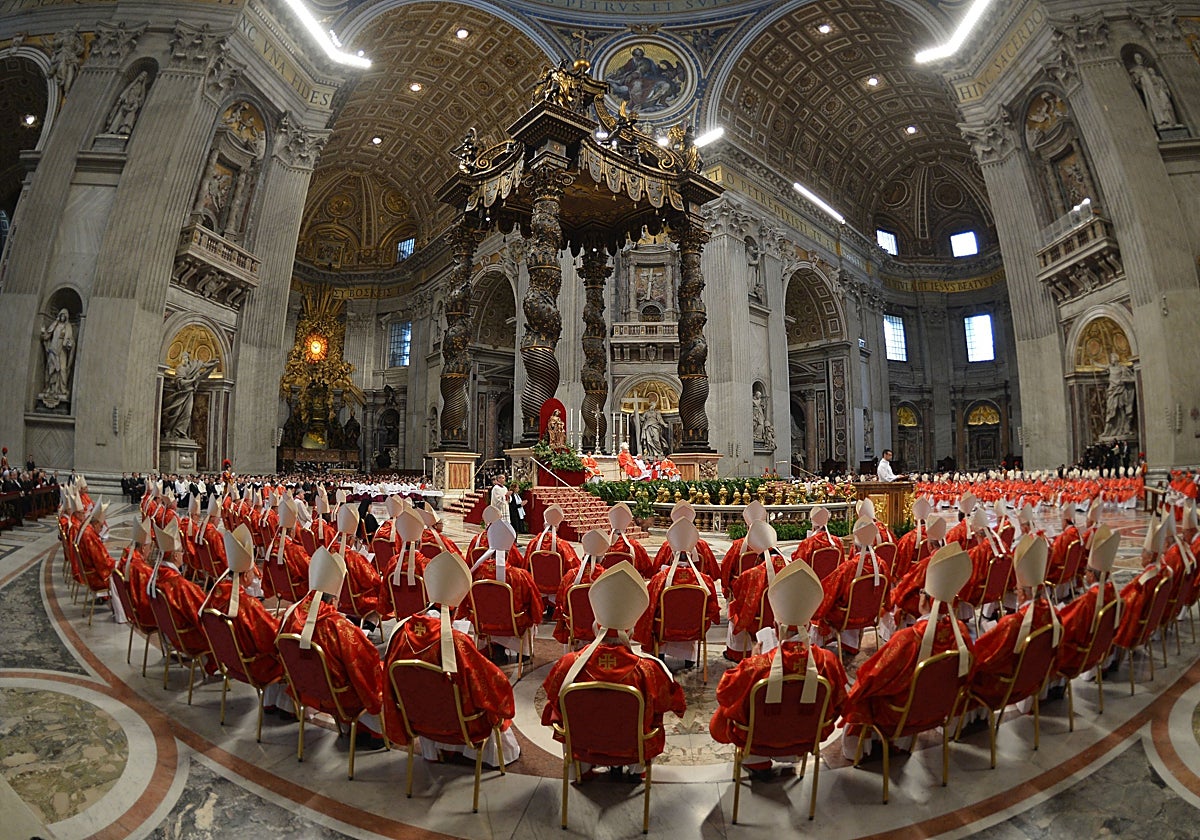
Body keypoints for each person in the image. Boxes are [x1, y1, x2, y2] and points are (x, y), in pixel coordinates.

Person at [541, 561, 685, 778]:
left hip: (583, 742)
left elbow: (553, 702)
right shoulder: (648, 670)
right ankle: (635, 769)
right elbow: (672, 703)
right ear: (632, 628)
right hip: (632, 744)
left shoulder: (569, 664)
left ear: (596, 623)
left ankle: (583, 766)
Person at [711, 560, 848, 778]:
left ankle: (757, 761)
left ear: (774, 627)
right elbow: (841, 702)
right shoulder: (828, 661)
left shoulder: (756, 666)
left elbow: (725, 693)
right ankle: (794, 754)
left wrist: (753, 659)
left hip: (758, 736)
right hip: (807, 736)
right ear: (809, 626)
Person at [382, 550, 519, 768]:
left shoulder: (399, 634)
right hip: (463, 724)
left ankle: (436, 750)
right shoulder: (458, 643)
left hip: (416, 718)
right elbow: (491, 685)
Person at [842, 543, 975, 759]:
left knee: (863, 696)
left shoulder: (909, 638)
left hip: (903, 711)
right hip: (940, 707)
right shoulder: (960, 632)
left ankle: (866, 748)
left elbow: (872, 677)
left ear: (925, 599)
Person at [277, 546, 386, 750]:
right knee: (377, 670)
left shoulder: (290, 613)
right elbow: (365, 663)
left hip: (304, 689)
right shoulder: (338, 627)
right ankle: (372, 731)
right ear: (334, 598)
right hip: (340, 695)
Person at [634, 518, 720, 666]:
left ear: (672, 554)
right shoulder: (705, 581)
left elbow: (649, 608)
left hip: (665, 629)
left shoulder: (660, 579)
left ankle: (659, 654)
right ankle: (689, 659)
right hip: (695, 629)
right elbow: (713, 610)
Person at [40, 308, 75, 406]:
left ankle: (62, 389)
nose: (62, 317)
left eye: (64, 316)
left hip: (62, 350)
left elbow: (70, 340)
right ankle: (50, 388)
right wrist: (43, 333)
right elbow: (47, 336)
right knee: (51, 368)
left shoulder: (68, 327)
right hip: (53, 348)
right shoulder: (54, 325)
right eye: (61, 315)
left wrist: (69, 344)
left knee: (62, 369)